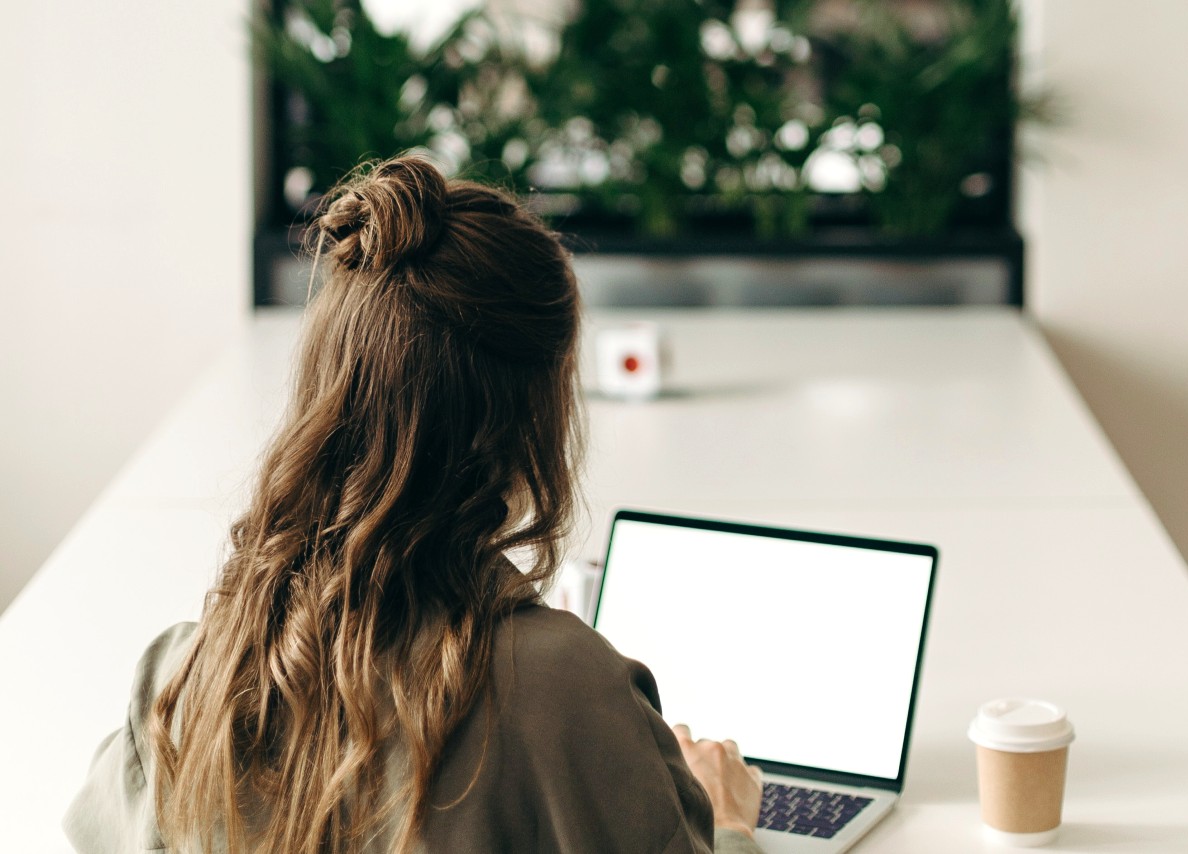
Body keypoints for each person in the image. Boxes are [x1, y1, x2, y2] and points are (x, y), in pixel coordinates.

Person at [63, 155, 767, 854]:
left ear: (325, 391)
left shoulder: (184, 680)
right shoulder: (567, 694)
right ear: (534, 420)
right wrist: (730, 823)